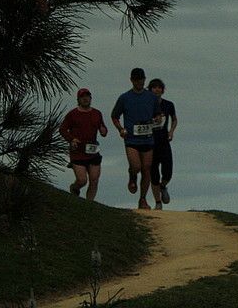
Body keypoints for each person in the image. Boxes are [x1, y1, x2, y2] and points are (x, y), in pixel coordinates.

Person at [110, 67, 161, 209]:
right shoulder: (124, 98)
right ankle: (132, 175)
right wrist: (121, 129)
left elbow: (157, 113)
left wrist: (157, 119)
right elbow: (114, 116)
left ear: (145, 79)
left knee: (147, 168)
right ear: (131, 80)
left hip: (148, 138)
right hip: (131, 139)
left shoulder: (151, 97)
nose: (139, 82)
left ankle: (143, 199)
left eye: (141, 79)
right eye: (136, 79)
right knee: (137, 166)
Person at [58, 87, 108, 200]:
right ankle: (75, 187)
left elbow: (103, 128)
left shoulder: (97, 113)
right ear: (78, 99)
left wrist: (103, 130)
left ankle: (89, 203)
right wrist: (71, 139)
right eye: (82, 97)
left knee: (94, 179)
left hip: (93, 150)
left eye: (87, 96)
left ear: (90, 98)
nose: (85, 99)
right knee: (82, 180)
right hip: (78, 151)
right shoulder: (73, 114)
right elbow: (62, 129)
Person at [148, 78, 177, 209]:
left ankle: (163, 185)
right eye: (154, 87)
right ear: (150, 90)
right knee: (153, 173)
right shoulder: (145, 104)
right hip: (150, 142)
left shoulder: (168, 104)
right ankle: (158, 202)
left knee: (168, 171)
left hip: (164, 141)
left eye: (159, 87)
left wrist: (171, 131)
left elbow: (174, 119)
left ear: (163, 90)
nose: (157, 90)